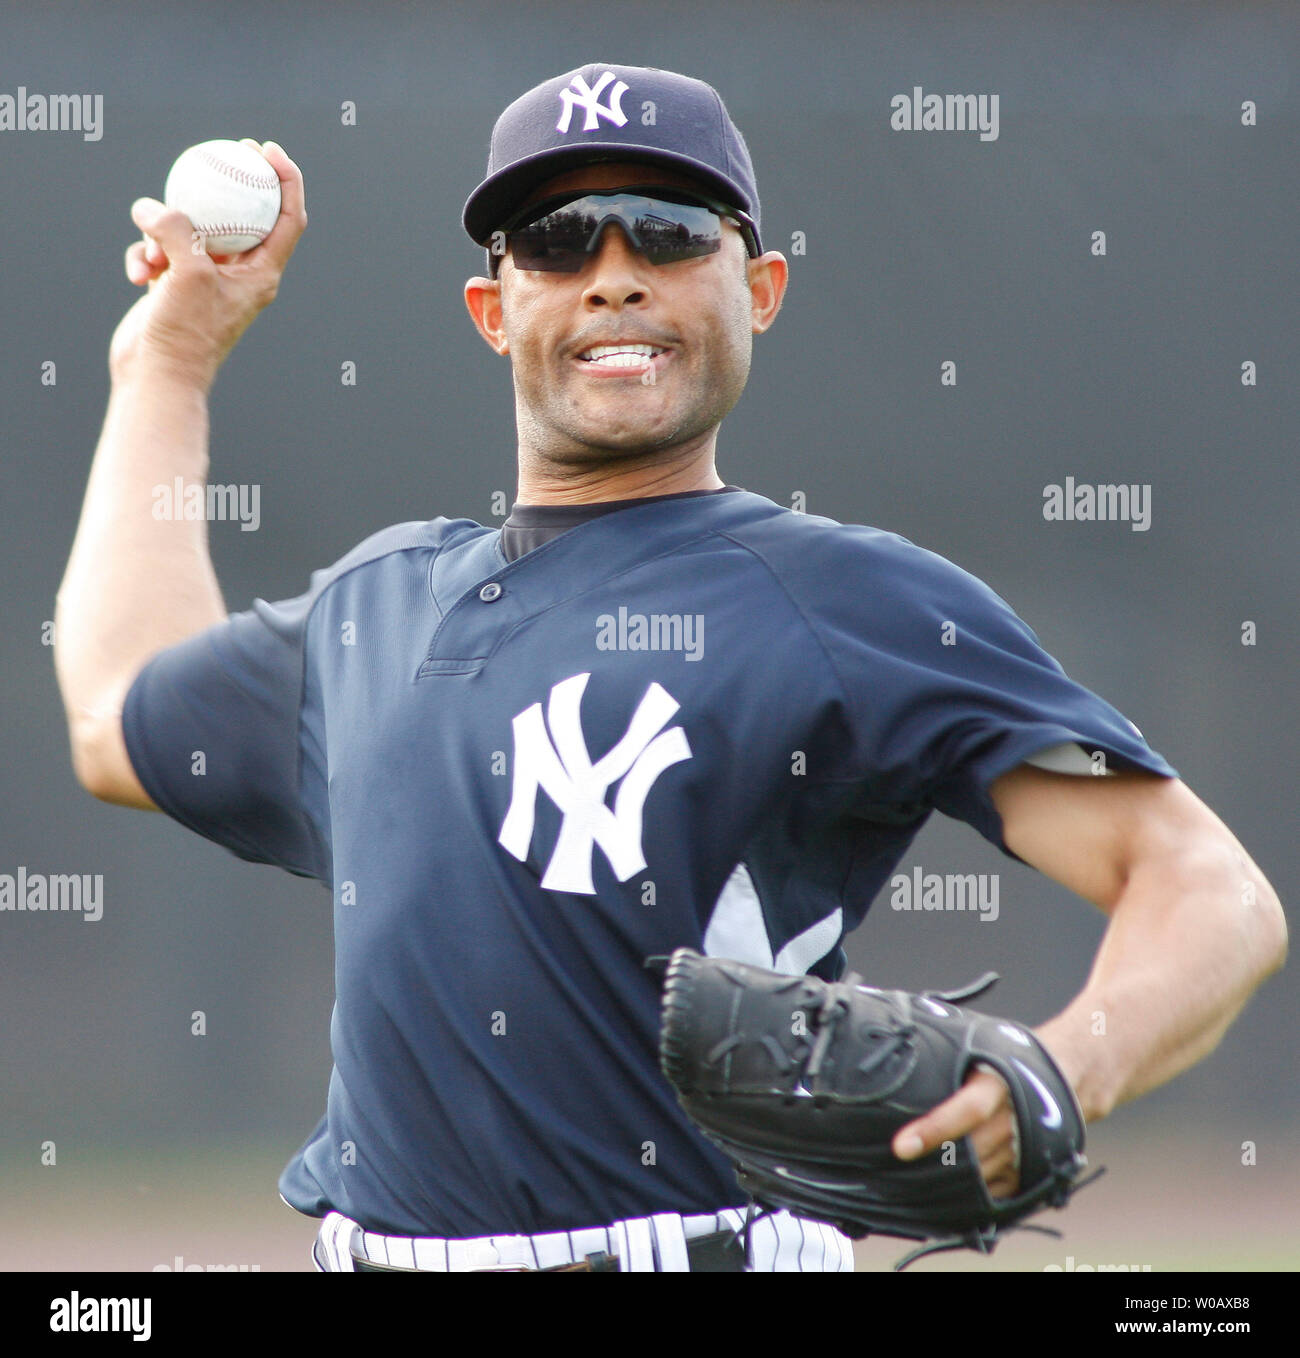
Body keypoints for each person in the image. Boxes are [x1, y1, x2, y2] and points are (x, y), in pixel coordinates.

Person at [55, 63, 1285, 1273]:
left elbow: (1208, 890)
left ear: (759, 287)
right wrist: (163, 364)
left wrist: (1065, 1064)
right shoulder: (373, 608)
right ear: (495, 310)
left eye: (668, 230)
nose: (614, 276)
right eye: (557, 240)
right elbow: (115, 716)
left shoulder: (846, 599)